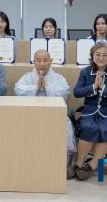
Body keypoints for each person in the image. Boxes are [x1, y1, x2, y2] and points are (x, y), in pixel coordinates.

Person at [14, 49, 76, 178]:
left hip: (53, 113)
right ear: (34, 62)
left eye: (45, 60)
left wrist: (46, 87)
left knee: (65, 125)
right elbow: (18, 90)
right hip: (30, 113)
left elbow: (63, 94)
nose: (42, 63)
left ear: (51, 61)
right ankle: (27, 164)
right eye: (38, 60)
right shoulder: (27, 77)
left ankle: (63, 165)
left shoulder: (59, 78)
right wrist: (36, 87)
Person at [71, 41, 107, 180]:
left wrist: (103, 88)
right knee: (88, 127)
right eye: (97, 54)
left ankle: (92, 166)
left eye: (104, 55)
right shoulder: (85, 72)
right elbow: (77, 92)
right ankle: (78, 163)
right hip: (90, 110)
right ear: (92, 56)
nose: (101, 57)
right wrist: (93, 86)